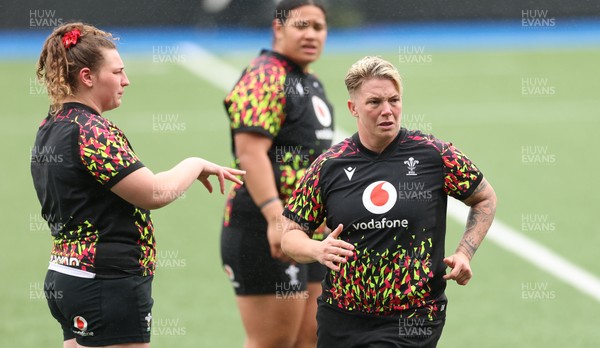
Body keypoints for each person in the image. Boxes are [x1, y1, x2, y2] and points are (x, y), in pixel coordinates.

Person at [31, 22, 244, 348]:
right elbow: (154, 193)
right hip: (106, 282)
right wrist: (195, 163)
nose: (125, 81)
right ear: (88, 77)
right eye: (117, 72)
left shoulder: (50, 125)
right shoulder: (92, 130)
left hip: (67, 275)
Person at [281, 56, 497, 348]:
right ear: (353, 108)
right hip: (341, 316)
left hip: (414, 316)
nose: (387, 111)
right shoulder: (329, 166)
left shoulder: (434, 155)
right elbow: (290, 234)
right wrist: (316, 249)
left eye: (394, 100)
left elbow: (484, 197)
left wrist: (464, 253)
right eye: (374, 103)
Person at [220, 1, 333, 347]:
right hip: (263, 227)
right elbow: (250, 154)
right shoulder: (265, 76)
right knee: (273, 342)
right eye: (302, 26)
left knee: (310, 338)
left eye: (318, 27)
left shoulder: (308, 80)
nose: (312, 34)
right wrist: (274, 217)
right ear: (278, 29)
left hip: (306, 231)